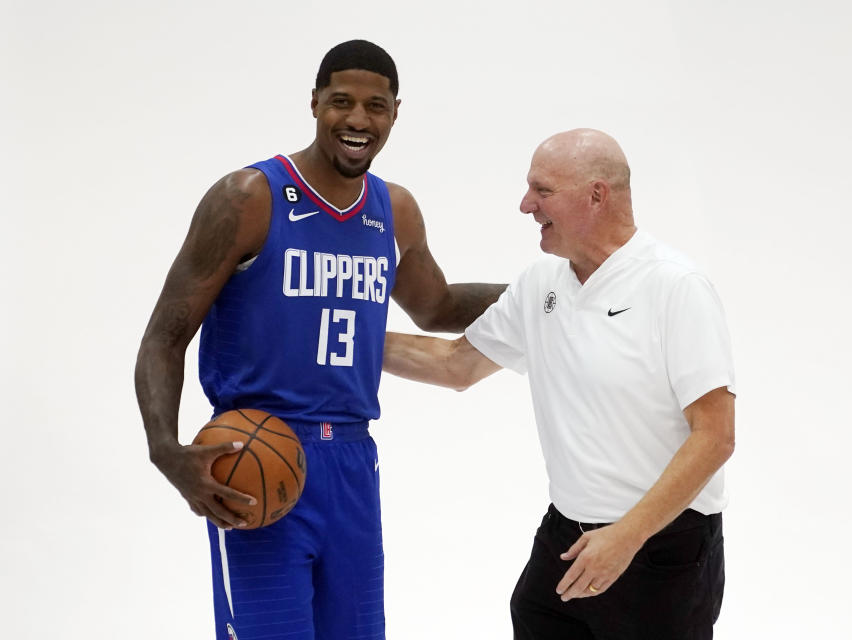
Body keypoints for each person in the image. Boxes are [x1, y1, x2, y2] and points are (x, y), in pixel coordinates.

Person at [134, 40, 505, 640]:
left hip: (353, 462)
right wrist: (164, 448)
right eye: (342, 102)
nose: (358, 120)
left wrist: (545, 292)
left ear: (394, 113)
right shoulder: (248, 197)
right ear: (314, 104)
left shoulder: (395, 210)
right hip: (255, 452)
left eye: (375, 107)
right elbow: (164, 336)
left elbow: (436, 307)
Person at [383, 128, 736, 639]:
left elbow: (715, 436)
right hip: (565, 537)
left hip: (660, 547)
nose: (526, 204)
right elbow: (456, 365)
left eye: (541, 190)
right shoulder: (540, 283)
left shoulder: (675, 288)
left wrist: (626, 538)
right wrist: (340, 337)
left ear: (597, 194)